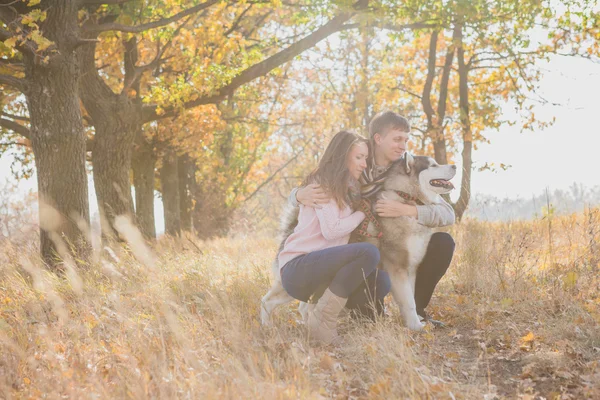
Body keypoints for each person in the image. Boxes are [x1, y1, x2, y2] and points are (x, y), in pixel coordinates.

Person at [289, 111, 456, 325]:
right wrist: (297, 195)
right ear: (378, 139)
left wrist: (407, 210)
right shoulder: (356, 161)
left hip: (396, 248)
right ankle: (342, 304)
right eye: (397, 139)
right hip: (362, 253)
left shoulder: (409, 168)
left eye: (406, 140)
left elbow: (447, 213)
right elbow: (319, 179)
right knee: (370, 321)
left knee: (443, 243)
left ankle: (416, 312)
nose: (403, 146)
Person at [278, 131, 384, 345]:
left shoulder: (349, 189)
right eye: (359, 157)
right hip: (298, 268)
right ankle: (323, 321)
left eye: (365, 158)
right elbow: (332, 230)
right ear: (342, 156)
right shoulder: (322, 184)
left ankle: (329, 314)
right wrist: (363, 213)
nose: (364, 164)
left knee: (381, 281)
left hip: (324, 274)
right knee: (369, 252)